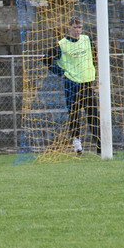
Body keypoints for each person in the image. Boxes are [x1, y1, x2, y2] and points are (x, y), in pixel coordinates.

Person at [42, 18, 101, 155]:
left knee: (93, 114)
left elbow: (94, 54)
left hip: (87, 82)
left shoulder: (86, 39)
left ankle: (99, 145)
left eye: (80, 27)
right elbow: (46, 59)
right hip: (72, 84)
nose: (77, 30)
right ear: (69, 28)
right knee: (74, 114)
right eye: (75, 27)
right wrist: (61, 73)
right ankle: (77, 144)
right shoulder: (62, 44)